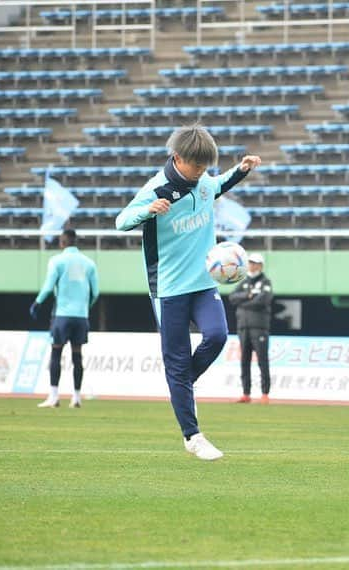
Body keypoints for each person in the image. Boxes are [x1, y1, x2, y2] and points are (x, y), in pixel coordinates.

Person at [115, 123, 262, 460]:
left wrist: (240, 170)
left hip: (203, 283)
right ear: (177, 158)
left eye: (205, 167)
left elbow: (217, 184)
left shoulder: (204, 181)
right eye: (196, 166)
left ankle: (180, 384)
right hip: (168, 290)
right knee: (177, 361)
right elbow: (121, 220)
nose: (201, 173)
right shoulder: (157, 189)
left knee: (218, 336)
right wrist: (146, 211)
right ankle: (192, 435)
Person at [30, 229, 99, 409]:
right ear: (76, 242)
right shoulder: (89, 263)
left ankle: (54, 396)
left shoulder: (56, 261)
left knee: (56, 353)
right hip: (81, 316)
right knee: (77, 356)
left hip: (62, 315)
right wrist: (86, 307)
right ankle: (76, 397)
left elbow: (48, 286)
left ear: (62, 243)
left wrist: (37, 303)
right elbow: (96, 292)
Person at [228, 252, 273, 404]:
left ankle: (265, 393)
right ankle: (246, 393)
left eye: (255, 263)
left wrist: (243, 303)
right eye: (250, 263)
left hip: (259, 327)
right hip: (243, 327)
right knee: (244, 361)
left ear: (261, 265)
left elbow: (263, 300)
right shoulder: (244, 282)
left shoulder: (265, 282)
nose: (252, 266)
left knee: (262, 360)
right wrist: (247, 296)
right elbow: (232, 297)